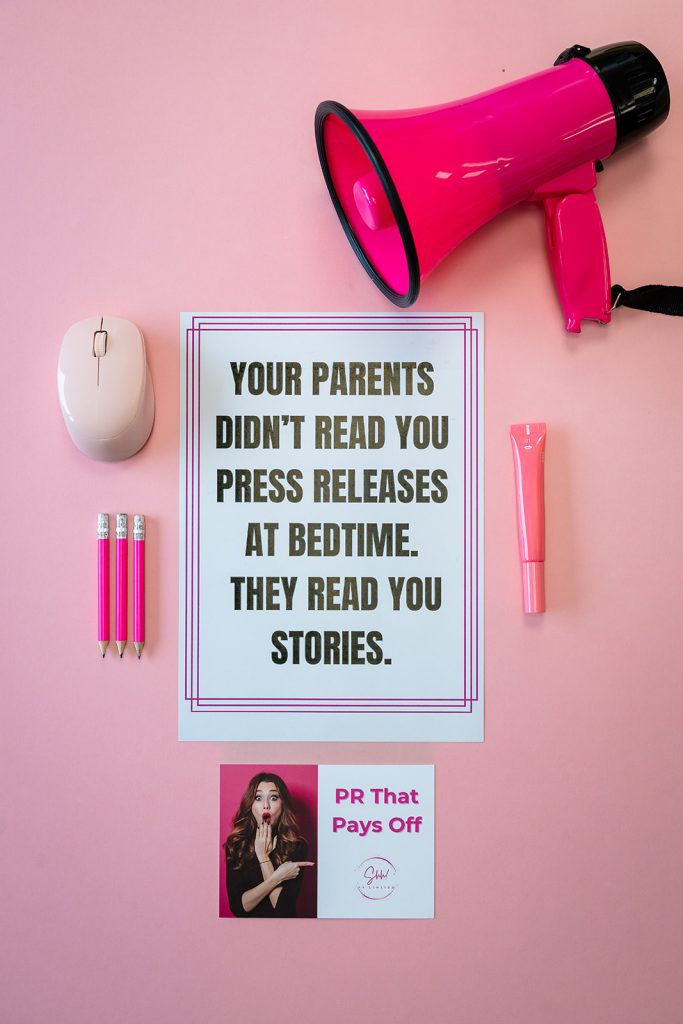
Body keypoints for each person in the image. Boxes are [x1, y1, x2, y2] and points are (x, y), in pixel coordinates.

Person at [224, 772, 314, 917]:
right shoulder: (236, 845)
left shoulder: (297, 845)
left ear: (283, 804)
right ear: (251, 805)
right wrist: (276, 876)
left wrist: (263, 857)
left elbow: (284, 911)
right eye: (258, 798)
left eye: (273, 798)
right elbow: (238, 908)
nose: (266, 805)